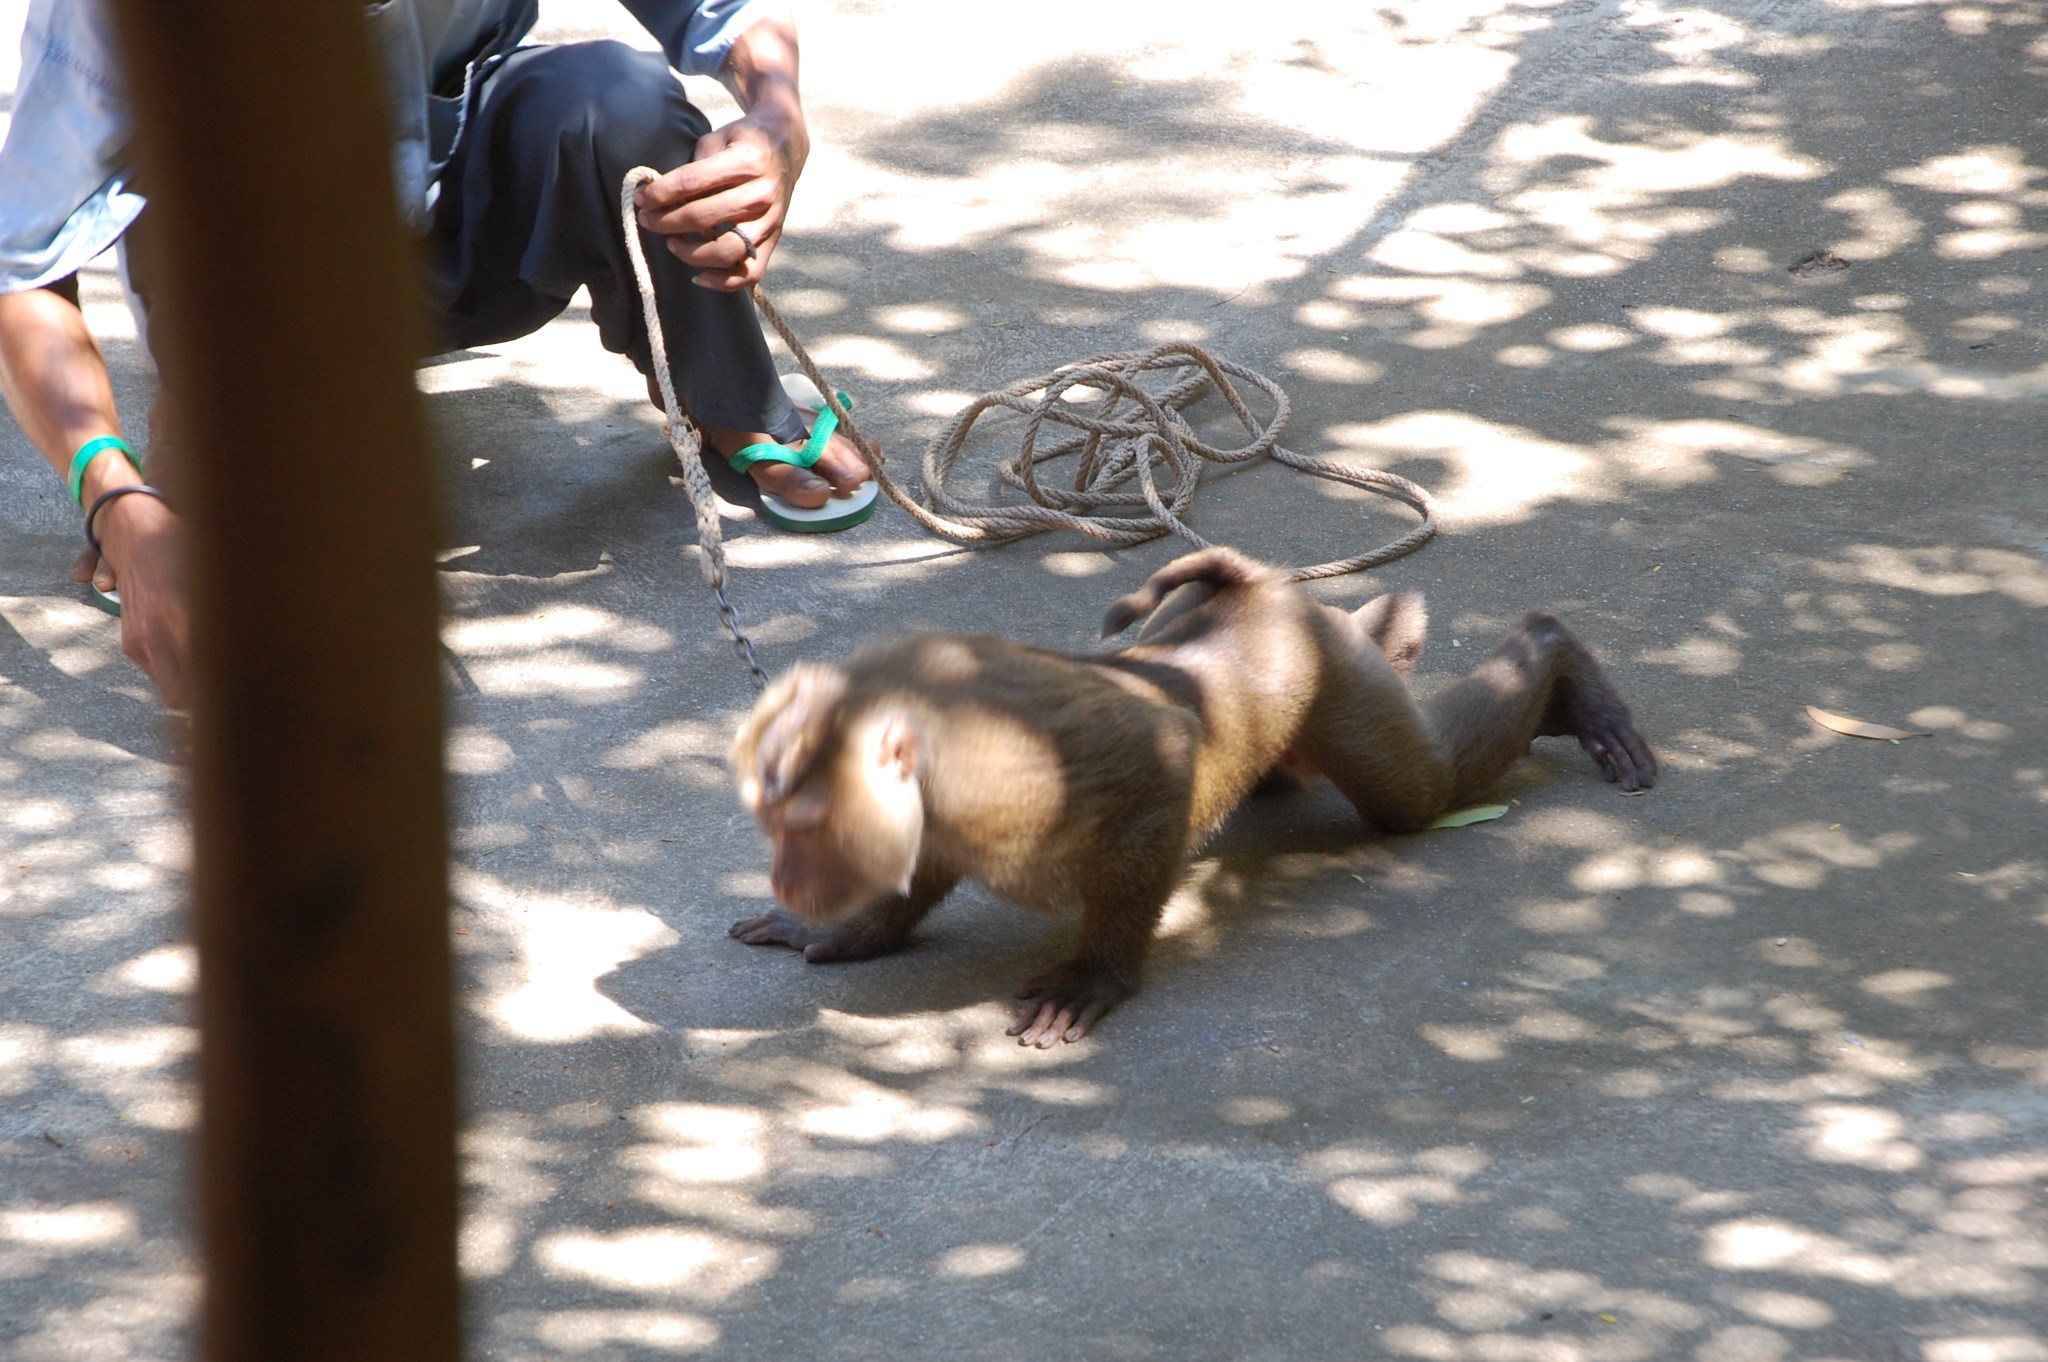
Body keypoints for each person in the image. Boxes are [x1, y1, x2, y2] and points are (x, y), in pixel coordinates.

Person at [0, 0, 870, 710]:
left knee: (619, 97)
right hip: (251, 277)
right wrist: (110, 494)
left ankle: (718, 389)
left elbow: (731, 14)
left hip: (457, 209)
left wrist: (777, 122)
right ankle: (205, 425)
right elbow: (19, 266)